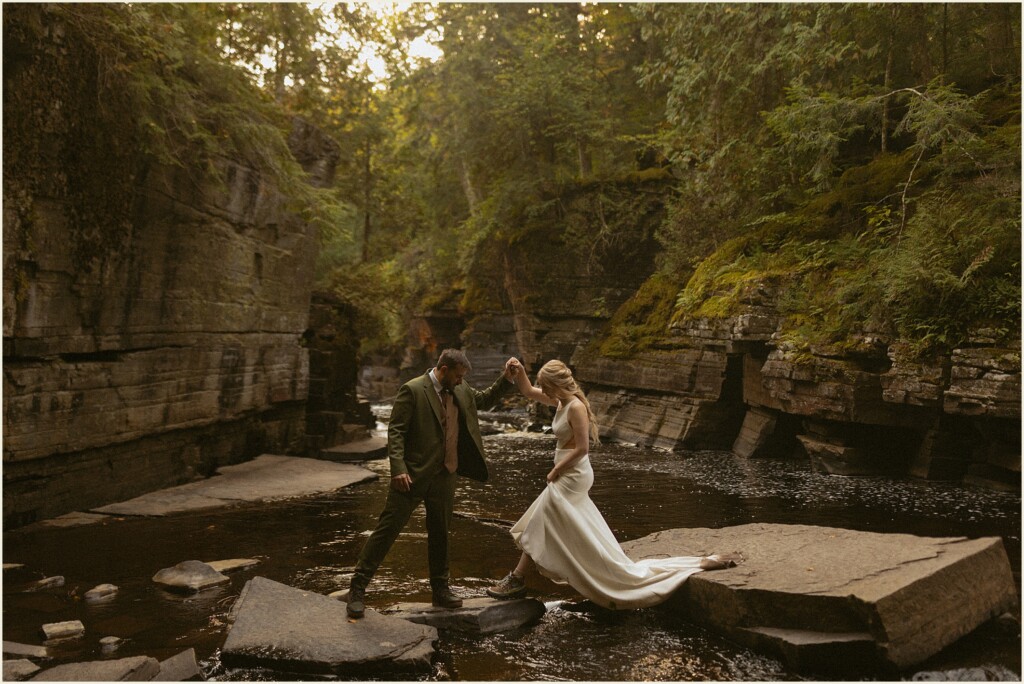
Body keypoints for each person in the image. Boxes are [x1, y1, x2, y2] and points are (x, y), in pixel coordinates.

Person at [486, 359, 741, 610]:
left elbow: (583, 448)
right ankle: (523, 577)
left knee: (540, 518)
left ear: (557, 384)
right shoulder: (559, 401)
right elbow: (528, 391)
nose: (544, 390)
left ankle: (518, 579)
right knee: (545, 521)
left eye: (547, 385)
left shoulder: (575, 407)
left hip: (573, 474)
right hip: (565, 473)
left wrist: (556, 469)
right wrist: (517, 370)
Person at [347, 349, 517, 619]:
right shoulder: (412, 389)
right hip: (412, 476)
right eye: (458, 376)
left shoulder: (460, 390)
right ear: (444, 369)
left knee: (440, 533)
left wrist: (505, 379)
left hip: (446, 475)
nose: (461, 381)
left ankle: (441, 590)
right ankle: (357, 589)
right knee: (387, 530)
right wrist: (398, 469)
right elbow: (397, 431)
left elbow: (482, 401)